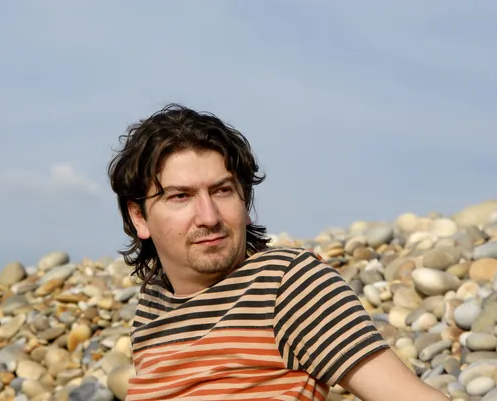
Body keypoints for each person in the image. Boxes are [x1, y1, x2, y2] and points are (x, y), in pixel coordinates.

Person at [107, 103, 449, 401]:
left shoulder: (287, 281)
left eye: (223, 190)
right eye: (181, 196)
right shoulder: (151, 309)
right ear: (139, 216)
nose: (209, 217)